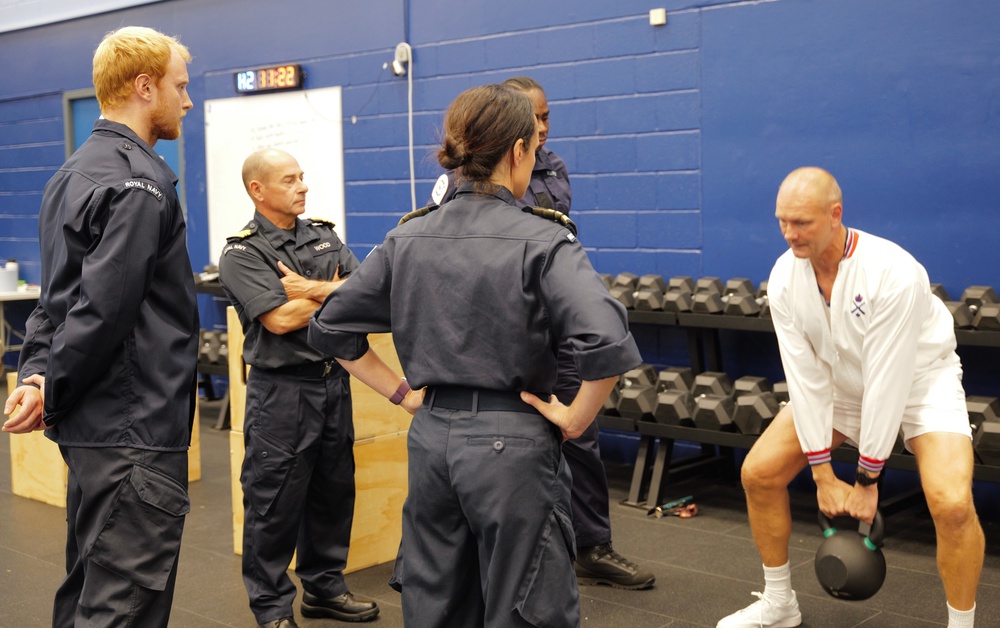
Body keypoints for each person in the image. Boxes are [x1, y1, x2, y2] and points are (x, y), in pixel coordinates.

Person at [307, 84, 643, 627]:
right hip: (513, 445)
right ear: (517, 151)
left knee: (435, 602)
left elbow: (328, 328)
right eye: (534, 144)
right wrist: (576, 419)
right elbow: (605, 339)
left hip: (432, 440)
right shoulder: (545, 239)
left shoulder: (408, 237)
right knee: (527, 606)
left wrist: (404, 395)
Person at [717, 167, 984, 628]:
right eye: (782, 221)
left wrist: (866, 481)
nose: (789, 233)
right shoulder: (784, 277)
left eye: (801, 222)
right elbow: (804, 378)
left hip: (921, 381)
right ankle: (780, 604)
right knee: (759, 474)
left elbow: (889, 379)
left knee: (953, 504)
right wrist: (822, 473)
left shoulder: (893, 271)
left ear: (835, 214)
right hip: (841, 384)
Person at [1, 26, 200, 626]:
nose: (186, 101)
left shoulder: (71, 174)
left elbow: (54, 302)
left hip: (98, 430)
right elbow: (102, 311)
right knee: (123, 607)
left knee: (91, 590)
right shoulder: (142, 183)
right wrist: (52, 384)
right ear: (145, 87)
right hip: (133, 430)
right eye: (179, 87)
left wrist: (37, 376)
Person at [431, 75, 654, 590]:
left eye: (548, 116)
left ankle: (593, 546)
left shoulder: (551, 166)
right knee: (507, 443)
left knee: (582, 436)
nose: (543, 127)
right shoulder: (461, 180)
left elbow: (558, 235)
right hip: (506, 327)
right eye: (534, 119)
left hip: (558, 320)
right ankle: (505, 555)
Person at [218, 148, 381, 628]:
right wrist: (334, 291)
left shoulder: (323, 235)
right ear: (258, 190)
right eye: (290, 180)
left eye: (302, 178)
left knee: (333, 491)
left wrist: (309, 289)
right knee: (273, 502)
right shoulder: (243, 253)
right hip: (281, 394)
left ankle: (324, 589)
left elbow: (368, 291)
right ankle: (271, 609)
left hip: (333, 384)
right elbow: (280, 320)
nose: (303, 186)